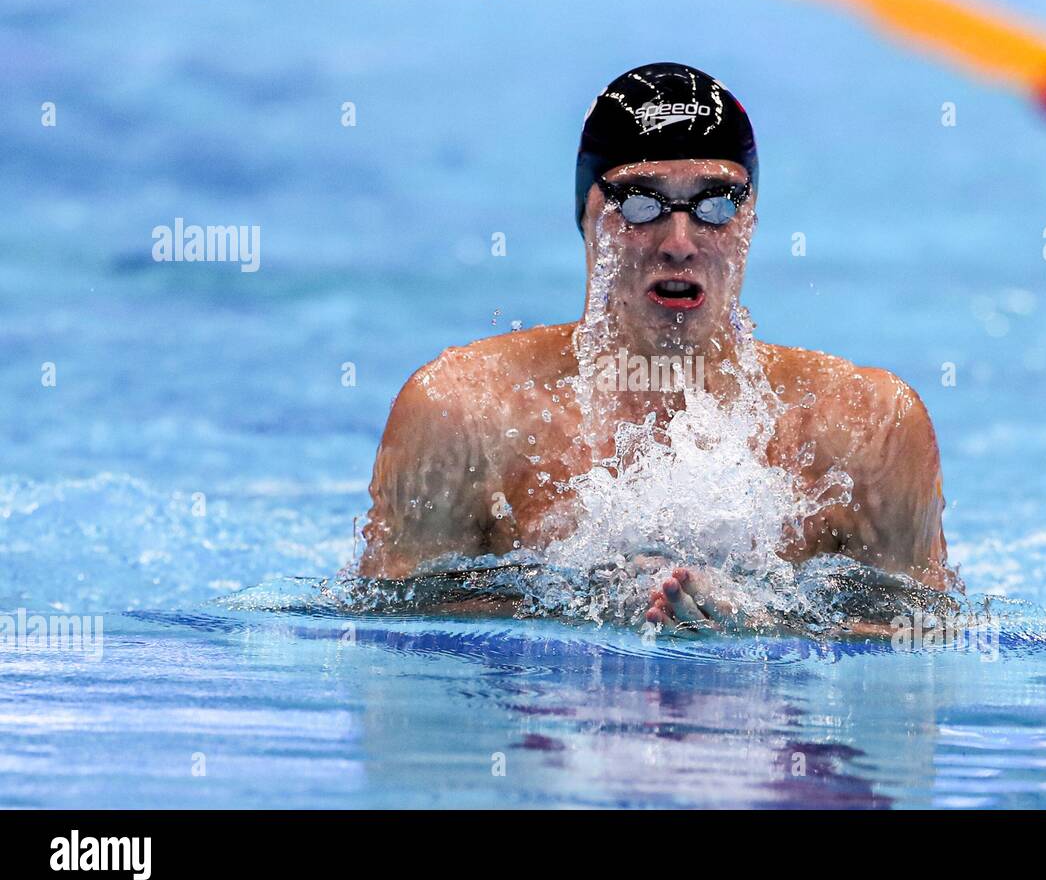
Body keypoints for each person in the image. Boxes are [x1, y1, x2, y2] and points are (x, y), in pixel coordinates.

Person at [359, 62, 955, 630]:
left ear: (751, 218)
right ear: (586, 214)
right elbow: (387, 633)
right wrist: (583, 608)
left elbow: (925, 646)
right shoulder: (466, 412)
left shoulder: (864, 425)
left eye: (716, 204)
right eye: (640, 202)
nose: (678, 241)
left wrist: (766, 624)